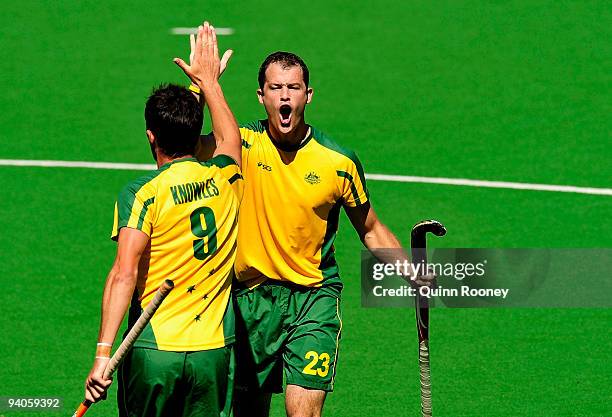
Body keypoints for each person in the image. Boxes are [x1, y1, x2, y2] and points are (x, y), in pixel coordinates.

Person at [185, 47, 432, 416]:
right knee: (247, 410)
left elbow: (371, 228)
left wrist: (411, 273)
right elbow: (187, 147)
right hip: (248, 301)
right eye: (276, 88)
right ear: (261, 96)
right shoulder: (239, 145)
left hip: (312, 299)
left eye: (294, 88)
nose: (285, 96)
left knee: (303, 411)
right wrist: (202, 87)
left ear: (308, 95)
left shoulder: (338, 162)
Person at [83, 24, 242, 417]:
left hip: (155, 350)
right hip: (212, 352)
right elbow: (228, 139)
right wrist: (208, 84)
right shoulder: (225, 178)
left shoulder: (142, 193)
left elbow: (124, 274)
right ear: (194, 133)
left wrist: (103, 355)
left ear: (151, 137)